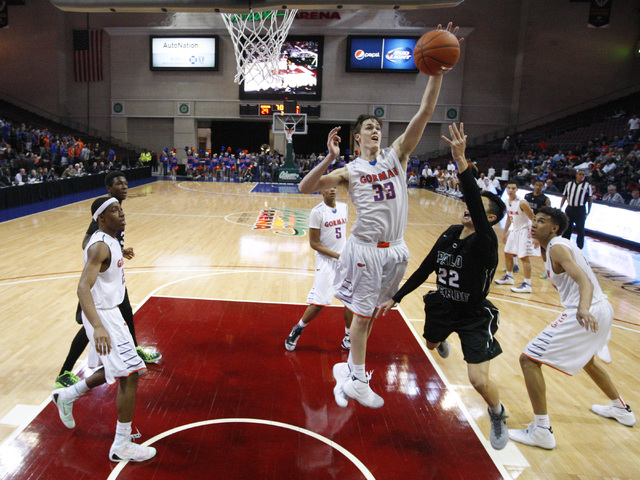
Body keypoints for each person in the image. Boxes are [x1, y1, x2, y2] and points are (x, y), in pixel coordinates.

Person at [298, 22, 461, 410]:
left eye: (377, 127)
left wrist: (436, 73)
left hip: (396, 251)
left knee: (370, 317)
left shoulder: (397, 155)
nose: (375, 131)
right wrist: (329, 158)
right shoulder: (350, 170)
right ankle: (355, 377)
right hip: (366, 250)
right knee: (360, 316)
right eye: (368, 128)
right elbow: (306, 188)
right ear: (357, 137)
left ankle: (349, 375)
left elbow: (425, 110)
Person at [379, 123, 509, 450]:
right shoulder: (451, 232)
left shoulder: (485, 242)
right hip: (443, 305)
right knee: (432, 346)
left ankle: (497, 412)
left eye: (478, 208)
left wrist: (462, 162)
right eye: (469, 204)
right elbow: (426, 268)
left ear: (489, 219)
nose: (469, 207)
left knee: (477, 379)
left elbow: (474, 202)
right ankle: (440, 337)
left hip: (473, 315)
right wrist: (398, 296)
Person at [508, 206, 636, 450]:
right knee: (588, 361)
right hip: (602, 307)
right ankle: (621, 409)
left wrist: (583, 308)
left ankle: (542, 431)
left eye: (541, 221)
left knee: (528, 360)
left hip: (588, 308)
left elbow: (583, 280)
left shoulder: (557, 247)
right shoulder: (557, 245)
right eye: (535, 220)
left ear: (554, 228)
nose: (534, 224)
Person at [51, 196, 157, 463]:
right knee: (130, 373)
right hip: (103, 316)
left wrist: (124, 253)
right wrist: (97, 326)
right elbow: (82, 287)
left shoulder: (111, 241)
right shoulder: (99, 246)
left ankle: (67, 394)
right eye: (114, 211)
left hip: (111, 313)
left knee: (122, 368)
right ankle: (121, 444)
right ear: (101, 218)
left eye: (121, 209)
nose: (122, 214)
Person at [54, 171, 161, 390]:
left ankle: (132, 348)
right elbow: (88, 243)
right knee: (91, 325)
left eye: (125, 182)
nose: (124, 186)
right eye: (118, 184)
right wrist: (107, 254)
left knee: (126, 312)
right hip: (99, 283)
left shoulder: (116, 211)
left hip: (113, 279)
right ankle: (65, 371)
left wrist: (119, 250)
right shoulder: (103, 214)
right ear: (108, 189)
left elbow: (109, 242)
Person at [284, 187, 353, 357]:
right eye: (328, 188)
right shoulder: (317, 212)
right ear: (321, 191)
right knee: (319, 303)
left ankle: (348, 337)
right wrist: (338, 255)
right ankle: (297, 329)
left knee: (350, 301)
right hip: (326, 260)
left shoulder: (344, 207)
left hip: (343, 260)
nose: (332, 190)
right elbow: (314, 243)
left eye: (334, 187)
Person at [494, 180, 540, 293]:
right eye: (509, 188)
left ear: (517, 189)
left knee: (524, 257)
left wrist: (536, 236)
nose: (511, 190)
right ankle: (509, 277)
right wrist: (505, 232)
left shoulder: (522, 203)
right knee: (507, 253)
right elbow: (510, 218)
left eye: (513, 188)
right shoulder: (506, 202)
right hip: (515, 230)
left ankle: (527, 284)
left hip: (525, 230)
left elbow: (533, 219)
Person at [559, 170, 592, 249]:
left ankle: (579, 247)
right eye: (580, 174)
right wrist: (560, 207)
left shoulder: (587, 185)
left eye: (583, 175)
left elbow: (590, 198)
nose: (581, 176)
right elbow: (564, 196)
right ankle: (564, 245)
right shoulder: (569, 184)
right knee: (567, 228)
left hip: (580, 209)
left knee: (580, 229)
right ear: (576, 175)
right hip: (570, 208)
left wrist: (588, 211)